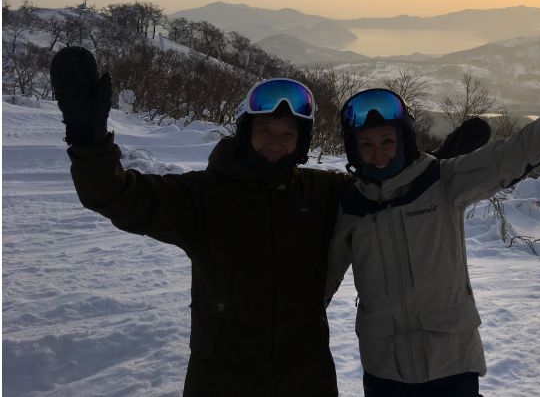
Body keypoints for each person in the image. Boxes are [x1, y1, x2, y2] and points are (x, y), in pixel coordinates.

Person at [49, 46, 491, 396]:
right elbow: (114, 195)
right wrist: (88, 141)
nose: (275, 144)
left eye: (287, 135)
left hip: (307, 380)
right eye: (265, 132)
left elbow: (383, 193)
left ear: (300, 143)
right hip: (222, 380)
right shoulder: (203, 196)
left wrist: (431, 163)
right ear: (246, 134)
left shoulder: (321, 193)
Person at [325, 53, 540, 397]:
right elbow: (316, 285)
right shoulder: (349, 208)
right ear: (353, 150)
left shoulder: (442, 182)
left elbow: (516, 152)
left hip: (451, 364)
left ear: (404, 139)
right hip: (384, 371)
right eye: (366, 144)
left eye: (387, 141)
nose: (378, 153)